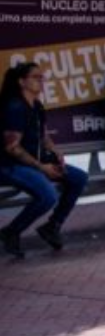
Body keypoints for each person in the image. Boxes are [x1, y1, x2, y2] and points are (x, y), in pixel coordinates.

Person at [0, 63, 89, 258]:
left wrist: (56, 152)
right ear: (22, 82)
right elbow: (11, 147)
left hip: (35, 162)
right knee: (48, 196)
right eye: (36, 77)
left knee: (79, 178)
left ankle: (52, 226)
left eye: (42, 77)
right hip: (10, 165)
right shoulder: (15, 106)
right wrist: (42, 168)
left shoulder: (37, 105)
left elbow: (43, 135)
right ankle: (11, 232)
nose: (41, 81)